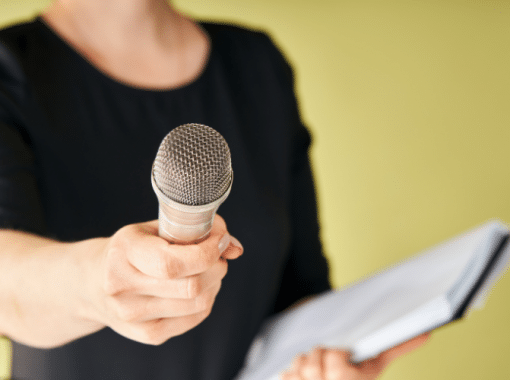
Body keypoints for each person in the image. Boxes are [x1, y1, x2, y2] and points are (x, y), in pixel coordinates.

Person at [0, 0, 428, 379]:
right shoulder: (10, 70)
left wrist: (326, 357)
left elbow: (299, 287)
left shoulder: (257, 65)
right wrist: (98, 282)